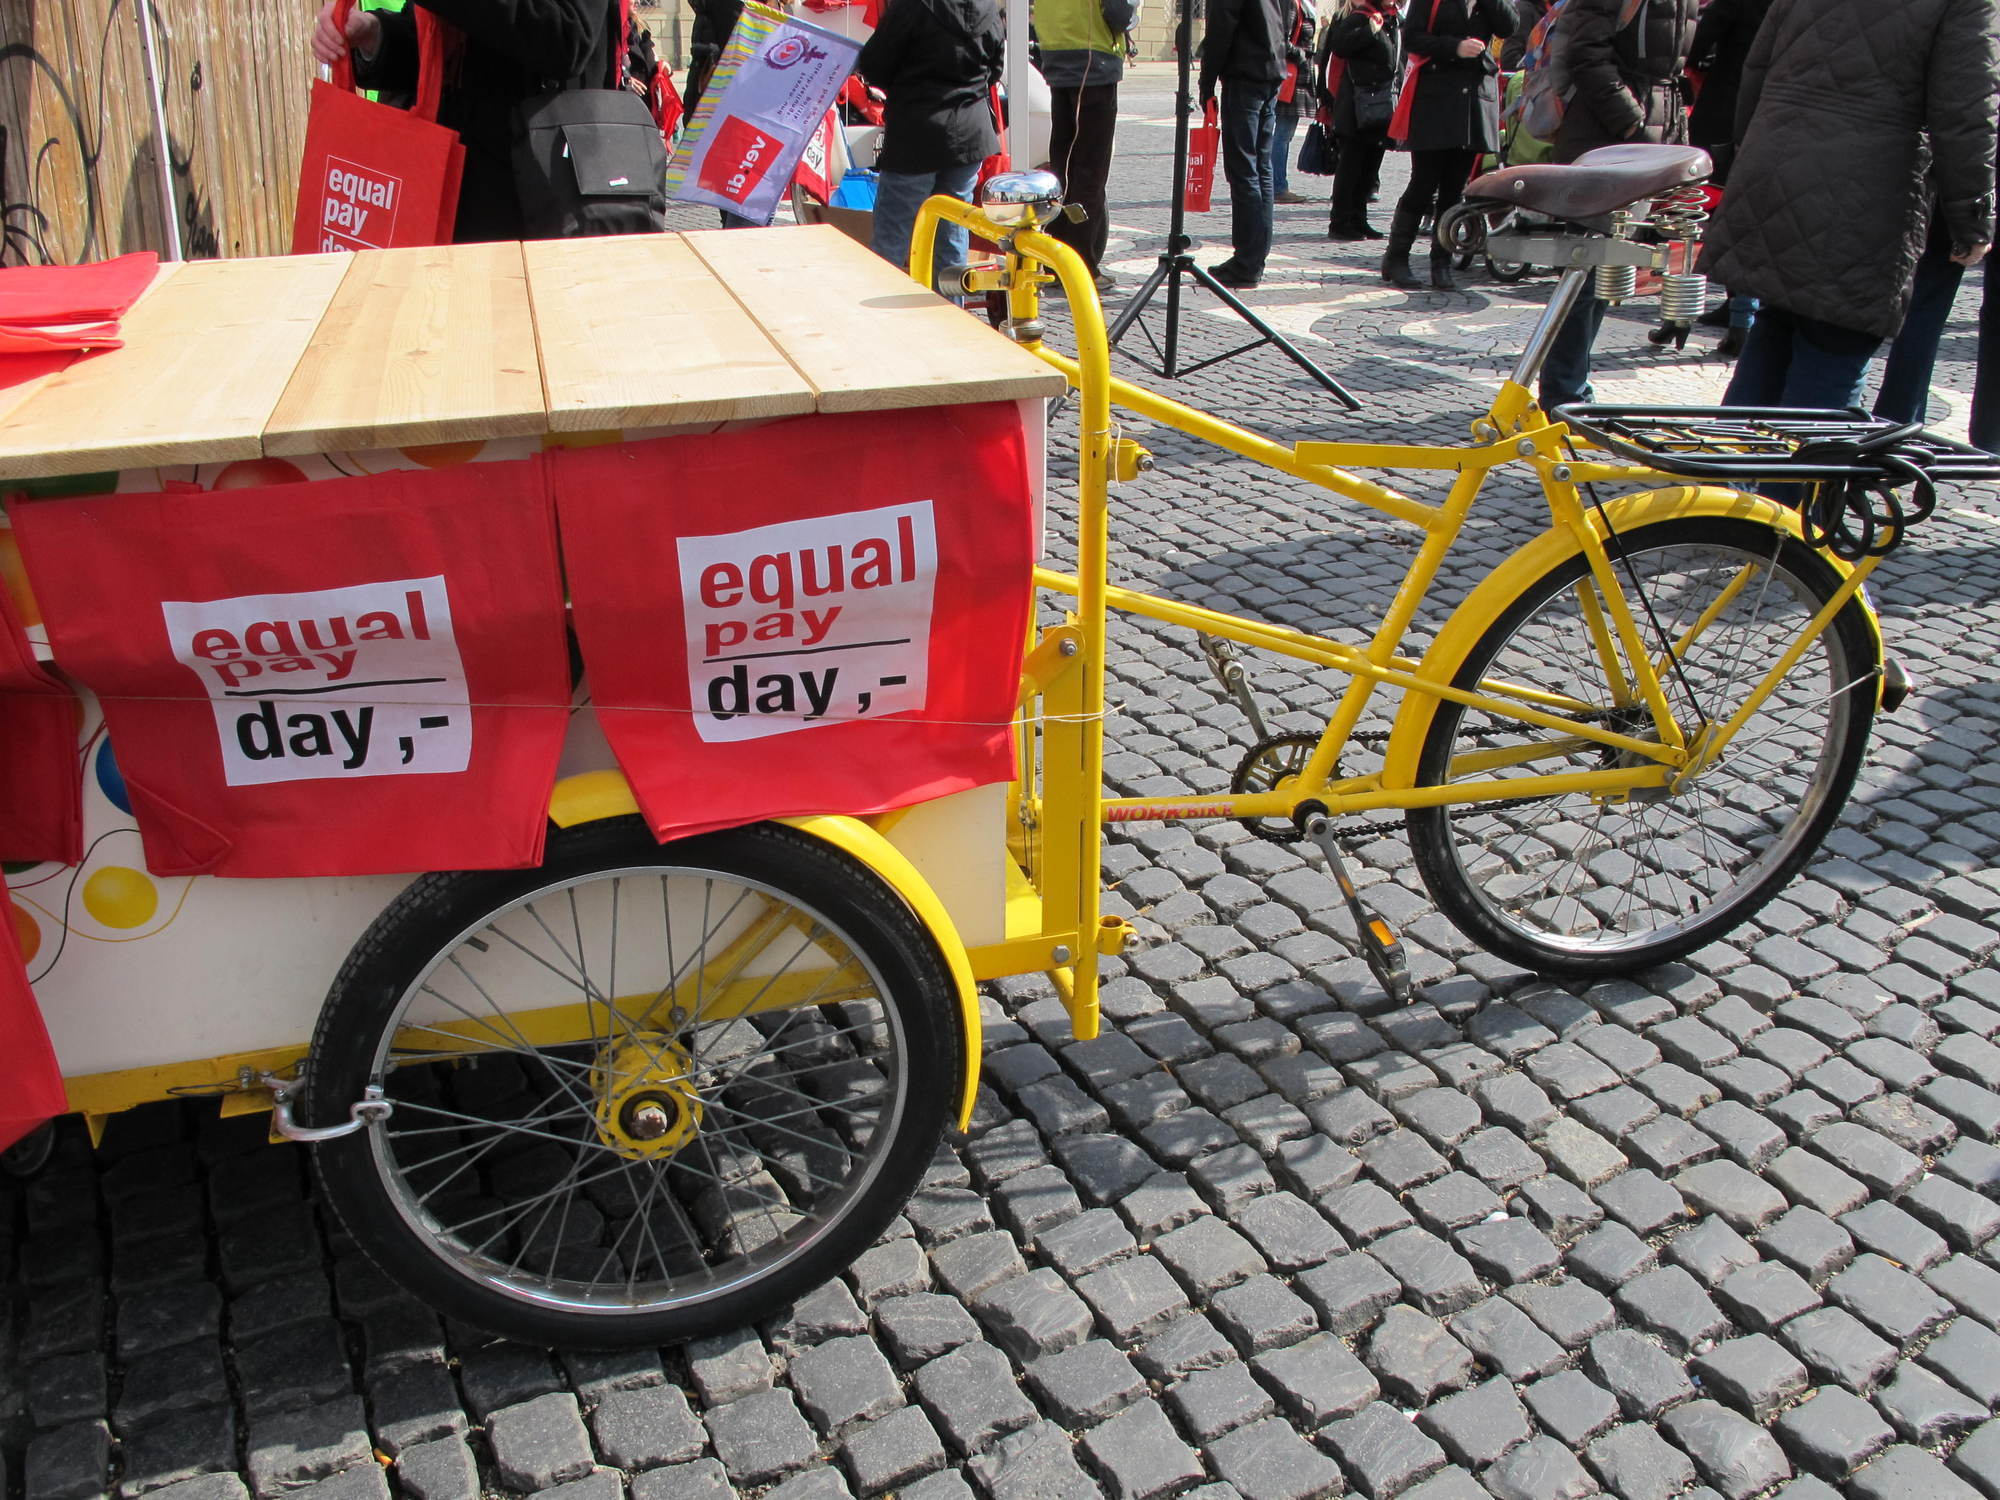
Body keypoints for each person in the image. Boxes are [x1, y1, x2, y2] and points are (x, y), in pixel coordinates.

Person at [1706, 0, 1997, 410]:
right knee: (1832, 350)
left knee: (1777, 330)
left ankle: (1729, 471)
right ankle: (1795, 474)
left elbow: (1755, 70)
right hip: (1870, 195)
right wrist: (1974, 219)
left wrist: (1752, 156)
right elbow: (1966, 112)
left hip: (1779, 165)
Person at [312, 0, 613, 243]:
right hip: (444, 194)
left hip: (535, 202)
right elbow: (430, 50)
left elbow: (567, 38)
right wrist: (372, 34)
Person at [1533, 0, 1697, 404]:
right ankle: (1564, 391)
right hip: (1606, 135)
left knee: (1609, 269)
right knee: (1585, 271)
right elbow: (1587, 53)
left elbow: (1669, 68)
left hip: (1648, 129)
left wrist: (1667, 131)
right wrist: (1633, 123)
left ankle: (1571, 383)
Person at [855, 0, 1004, 277]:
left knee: (893, 236)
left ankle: (883, 316)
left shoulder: (912, 6)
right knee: (952, 231)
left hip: (917, 131)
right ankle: (951, 313)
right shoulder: (987, 6)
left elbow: (875, 65)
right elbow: (994, 69)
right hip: (969, 132)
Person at [1380, 0, 1516, 290]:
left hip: (1472, 100)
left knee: (1455, 188)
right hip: (1435, 96)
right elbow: (1413, 38)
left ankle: (1440, 261)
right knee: (1424, 182)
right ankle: (1396, 258)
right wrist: (1453, 47)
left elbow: (1509, 26)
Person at [1673, 0, 1768, 357]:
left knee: (1716, 208)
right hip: (1773, 112)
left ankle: (1738, 314)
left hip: (1726, 112)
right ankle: (1741, 307)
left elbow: (1693, 46)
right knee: (1752, 211)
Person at [1040, 0, 1135, 291]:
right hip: (1092, 59)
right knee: (1089, 169)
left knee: (1063, 162)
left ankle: (1056, 258)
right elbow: (1118, 13)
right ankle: (1081, 264)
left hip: (1058, 51)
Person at [1203, 0, 1298, 288]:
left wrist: (1206, 82)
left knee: (1245, 170)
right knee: (1261, 169)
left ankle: (1248, 261)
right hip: (1270, 70)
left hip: (1245, 75)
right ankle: (1252, 256)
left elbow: (1221, 28)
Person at [1320, 0, 1401, 240]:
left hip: (1379, 104)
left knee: (1369, 168)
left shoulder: (1391, 17)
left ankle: (1359, 219)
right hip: (1357, 105)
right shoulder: (1361, 16)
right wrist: (1370, 31)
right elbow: (1339, 46)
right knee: (1351, 166)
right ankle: (1341, 221)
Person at [1270, 0, 1318, 205]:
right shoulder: (1292, 4)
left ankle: (1274, 184)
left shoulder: (1303, 4)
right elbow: (1281, 39)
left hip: (1296, 76)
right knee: (1282, 134)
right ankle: (1277, 185)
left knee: (1282, 134)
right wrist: (1302, 54)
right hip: (1292, 76)